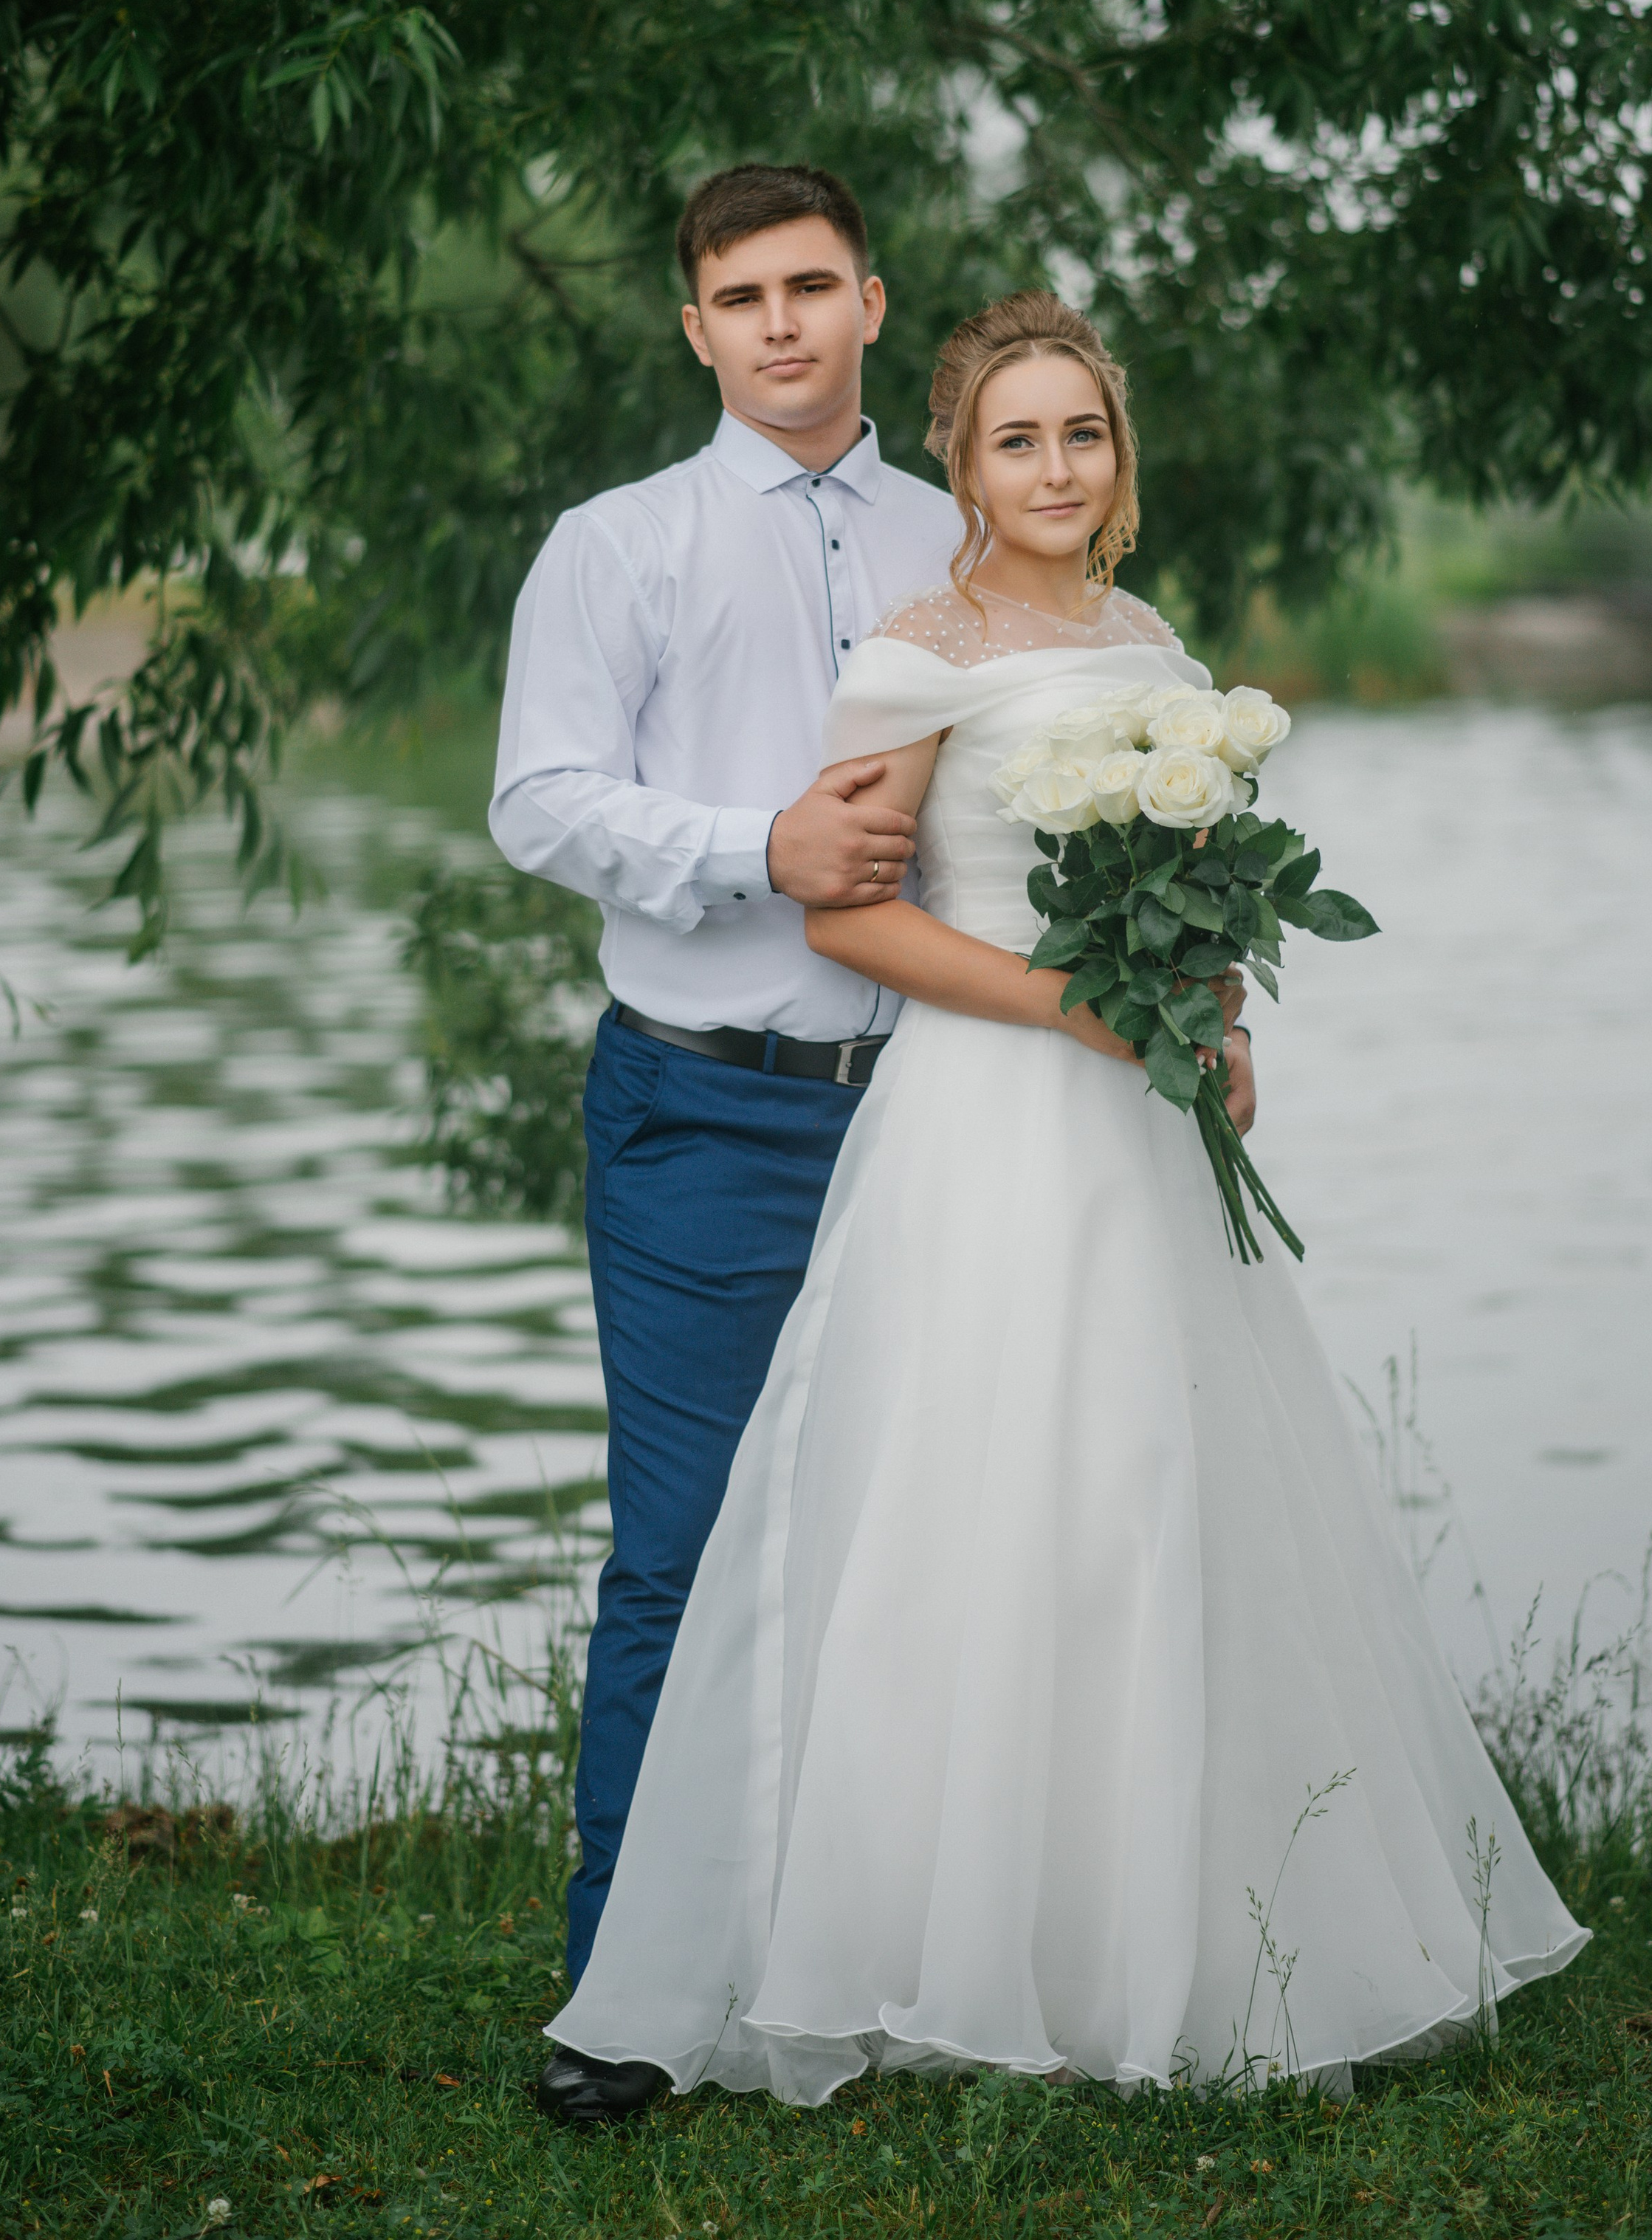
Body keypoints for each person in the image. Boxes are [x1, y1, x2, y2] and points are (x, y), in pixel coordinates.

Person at [540, 289, 1586, 2113]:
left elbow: (1184, 889)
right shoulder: (912, 652)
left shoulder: (1155, 645)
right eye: (1014, 436)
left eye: (1080, 432)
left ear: (1117, 454)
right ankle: (927, 1948)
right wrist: (1077, 1008)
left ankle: (1168, 1952)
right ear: (960, 459)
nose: (1051, 464)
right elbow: (849, 911)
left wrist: (1217, 1015)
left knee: (1165, 1494)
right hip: (987, 1125)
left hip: (1144, 1132)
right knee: (985, 1513)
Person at [490, 162, 969, 2129]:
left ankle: (893, 1952)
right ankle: (629, 1988)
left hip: (946, 1116)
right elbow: (537, 797)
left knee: (923, 1551)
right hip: (707, 1100)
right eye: (737, 295)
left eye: (809, 285)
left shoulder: (967, 533)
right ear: (694, 327)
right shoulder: (621, 545)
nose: (776, 320)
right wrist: (754, 848)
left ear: (872, 301)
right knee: (682, 1564)